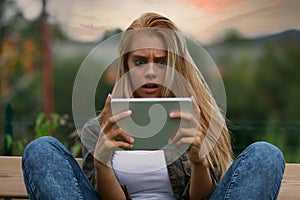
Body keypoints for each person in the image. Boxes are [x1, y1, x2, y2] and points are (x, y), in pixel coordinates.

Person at [22, 12, 285, 200]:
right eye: (139, 62)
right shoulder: (102, 128)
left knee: (265, 154)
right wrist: (102, 163)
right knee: (41, 149)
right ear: (125, 65)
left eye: (161, 61)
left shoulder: (198, 122)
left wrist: (199, 163)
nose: (150, 72)